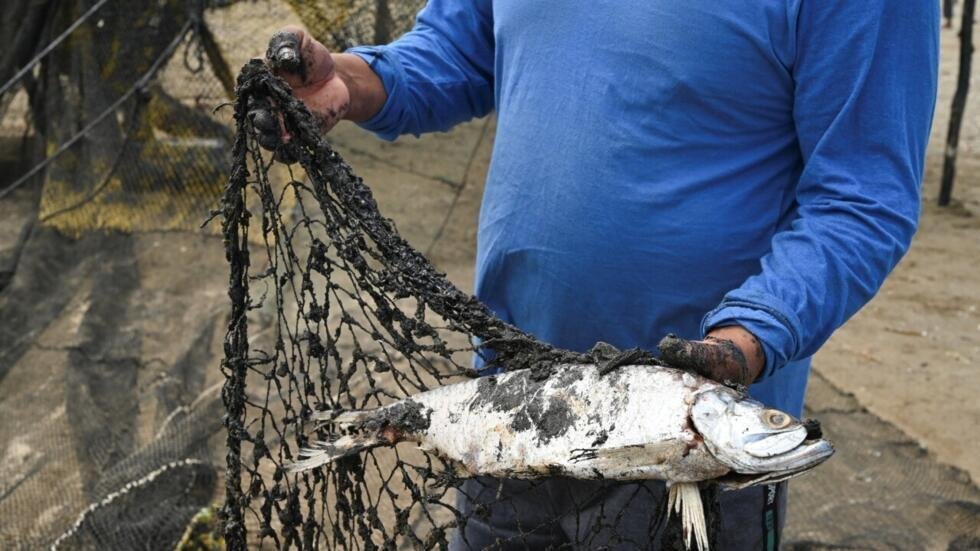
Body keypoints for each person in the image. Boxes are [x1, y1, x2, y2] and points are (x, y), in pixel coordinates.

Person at [253, 1, 938, 548]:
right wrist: (351, 83)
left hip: (687, 445)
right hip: (510, 403)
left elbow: (861, 197)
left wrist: (750, 336)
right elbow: (461, 50)